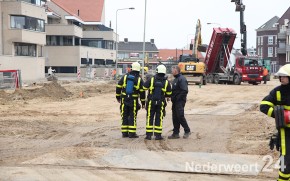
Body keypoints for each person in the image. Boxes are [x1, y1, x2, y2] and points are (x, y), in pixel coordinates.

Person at [260, 64, 290, 180]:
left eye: (284, 76)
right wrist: (280, 115)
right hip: (285, 131)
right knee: (285, 158)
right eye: (280, 76)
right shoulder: (277, 91)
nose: (281, 78)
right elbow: (263, 106)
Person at [116, 62, 145, 138]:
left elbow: (118, 86)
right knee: (132, 116)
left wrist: (118, 97)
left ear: (131, 68)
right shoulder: (139, 79)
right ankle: (132, 133)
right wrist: (143, 102)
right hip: (133, 100)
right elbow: (142, 92)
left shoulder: (125, 77)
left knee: (124, 115)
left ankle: (124, 133)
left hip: (124, 99)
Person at [143, 64, 172, 140]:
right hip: (161, 103)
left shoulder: (151, 79)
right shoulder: (166, 82)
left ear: (157, 71)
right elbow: (169, 94)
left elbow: (144, 87)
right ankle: (158, 135)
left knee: (150, 117)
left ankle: (148, 135)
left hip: (151, 102)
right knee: (159, 118)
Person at [168, 65, 191, 139]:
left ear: (176, 70)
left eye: (172, 70)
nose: (171, 71)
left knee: (180, 116)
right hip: (175, 101)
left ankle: (187, 130)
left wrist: (178, 98)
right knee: (175, 117)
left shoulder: (182, 79)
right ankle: (176, 133)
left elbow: (184, 90)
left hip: (180, 101)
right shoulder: (175, 79)